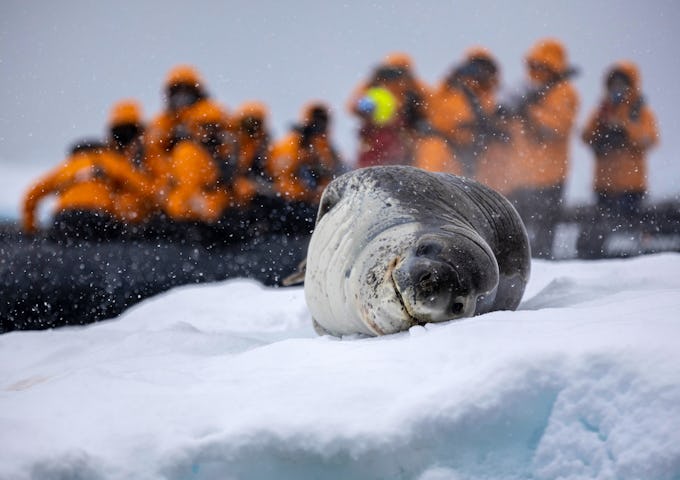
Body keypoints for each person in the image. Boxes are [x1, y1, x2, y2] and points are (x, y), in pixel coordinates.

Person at [504, 38, 580, 259]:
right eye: (533, 65)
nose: (535, 71)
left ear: (552, 66)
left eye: (541, 66)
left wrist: (529, 112)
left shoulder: (564, 92)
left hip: (550, 177)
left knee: (544, 235)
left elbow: (557, 127)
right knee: (517, 234)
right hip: (522, 175)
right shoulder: (530, 91)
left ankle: (544, 271)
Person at [577, 61, 659, 258]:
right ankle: (603, 261)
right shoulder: (602, 111)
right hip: (604, 186)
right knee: (603, 230)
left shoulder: (640, 112)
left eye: (622, 84)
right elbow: (586, 136)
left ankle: (632, 263)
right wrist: (602, 129)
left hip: (631, 186)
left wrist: (625, 130)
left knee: (629, 230)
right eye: (613, 84)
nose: (617, 89)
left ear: (631, 85)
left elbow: (650, 139)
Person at [421, 47, 508, 185]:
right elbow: (438, 113)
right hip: (451, 149)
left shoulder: (491, 101)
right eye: (474, 67)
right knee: (434, 151)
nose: (478, 73)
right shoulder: (448, 91)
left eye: (483, 69)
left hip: (475, 156)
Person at [268, 102, 344, 234]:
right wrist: (301, 155)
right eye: (316, 120)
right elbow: (280, 176)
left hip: (314, 203)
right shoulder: (290, 144)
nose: (318, 124)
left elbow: (330, 173)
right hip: (289, 203)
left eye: (322, 120)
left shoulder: (324, 147)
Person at [348, 52, 430, 167]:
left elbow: (431, 108)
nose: (396, 79)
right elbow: (353, 106)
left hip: (400, 141)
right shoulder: (372, 88)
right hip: (379, 141)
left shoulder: (414, 89)